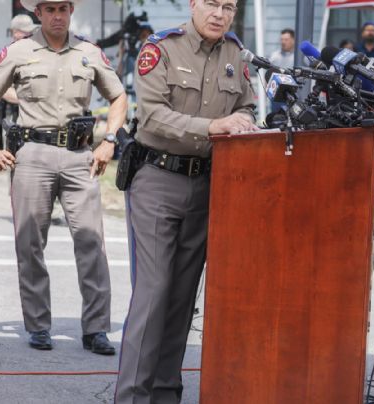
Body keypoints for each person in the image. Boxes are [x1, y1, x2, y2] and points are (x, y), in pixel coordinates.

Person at [114, 0, 257, 401]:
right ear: (193, 5)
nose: (220, 13)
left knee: (181, 298)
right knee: (153, 294)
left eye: (228, 6)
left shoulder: (234, 52)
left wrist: (243, 120)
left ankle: (165, 394)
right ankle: (132, 397)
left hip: (208, 185)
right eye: (212, 3)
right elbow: (153, 115)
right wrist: (214, 126)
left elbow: (245, 104)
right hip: (158, 180)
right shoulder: (161, 48)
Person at [0, 0, 128, 352]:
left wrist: (109, 143)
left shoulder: (89, 51)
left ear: (71, 11)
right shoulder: (18, 50)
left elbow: (118, 97)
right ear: (38, 14)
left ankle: (96, 329)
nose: (57, 15)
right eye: (50, 9)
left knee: (91, 243)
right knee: (29, 243)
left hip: (79, 157)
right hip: (33, 156)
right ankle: (39, 325)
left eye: (63, 8)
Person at [0, 14, 38, 122]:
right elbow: (3, 90)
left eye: (31, 32)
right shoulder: (6, 56)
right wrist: (30, 100)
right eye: (26, 31)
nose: (30, 34)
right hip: (15, 120)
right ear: (15, 33)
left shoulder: (36, 53)